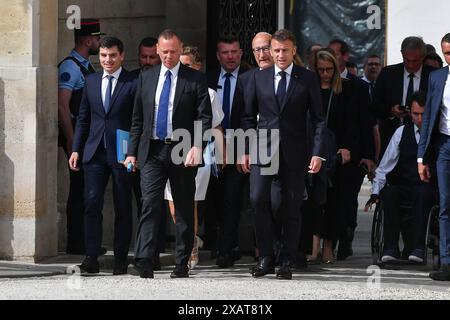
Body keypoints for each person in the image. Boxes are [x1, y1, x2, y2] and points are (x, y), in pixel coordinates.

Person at [125, 29, 212, 279]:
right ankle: (144, 260)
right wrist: (132, 152)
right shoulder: (147, 77)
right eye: (164, 52)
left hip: (182, 149)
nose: (168, 56)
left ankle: (182, 262)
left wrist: (198, 146)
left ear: (180, 49)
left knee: (183, 208)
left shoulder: (194, 79)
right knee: (149, 204)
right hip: (152, 150)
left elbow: (204, 117)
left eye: (173, 51)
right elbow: (137, 119)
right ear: (158, 51)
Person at [241, 29, 325, 280]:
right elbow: (247, 117)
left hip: (294, 152)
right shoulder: (259, 77)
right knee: (257, 200)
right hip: (262, 151)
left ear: (294, 51)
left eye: (284, 50)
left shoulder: (307, 79)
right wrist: (245, 149)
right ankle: (266, 256)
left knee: (290, 207)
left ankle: (287, 259)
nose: (279, 55)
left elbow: (319, 119)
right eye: (275, 50)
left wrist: (318, 153)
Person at [69, 37, 137, 275]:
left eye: (113, 55)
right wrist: (76, 148)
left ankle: (120, 259)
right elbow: (83, 119)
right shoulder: (91, 81)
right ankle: (91, 257)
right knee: (91, 204)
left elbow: (137, 121)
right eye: (104, 55)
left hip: (122, 153)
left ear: (122, 56)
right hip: (94, 152)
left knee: (123, 206)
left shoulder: (133, 82)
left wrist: (133, 152)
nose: (108, 60)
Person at [164, 46, 225, 269]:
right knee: (173, 205)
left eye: (188, 64)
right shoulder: (169, 87)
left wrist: (222, 153)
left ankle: (191, 248)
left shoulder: (209, 93)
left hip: (199, 152)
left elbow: (217, 125)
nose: (183, 68)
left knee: (190, 202)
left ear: (198, 66)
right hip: (169, 152)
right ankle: (190, 238)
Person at [366, 91, 435, 264]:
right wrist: (375, 192)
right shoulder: (401, 132)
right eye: (415, 114)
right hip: (404, 184)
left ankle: (418, 247)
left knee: (423, 193)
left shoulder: (438, 134)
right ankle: (390, 247)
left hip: (428, 186)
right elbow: (384, 167)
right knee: (389, 194)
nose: (419, 119)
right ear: (410, 113)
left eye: (423, 114)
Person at [58, 18, 104, 255]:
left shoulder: (86, 65)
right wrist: (71, 138)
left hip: (87, 137)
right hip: (78, 136)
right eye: (97, 39)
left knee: (88, 188)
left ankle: (87, 240)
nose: (99, 43)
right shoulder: (70, 67)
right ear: (88, 40)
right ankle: (75, 241)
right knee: (79, 189)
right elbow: (63, 106)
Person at [328, 39, 376, 260]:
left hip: (353, 155)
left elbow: (366, 123)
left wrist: (369, 157)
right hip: (327, 152)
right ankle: (331, 239)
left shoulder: (359, 86)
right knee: (329, 198)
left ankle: (346, 234)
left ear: (344, 57)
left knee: (347, 198)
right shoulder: (318, 82)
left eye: (335, 55)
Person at [309, 48, 358, 264]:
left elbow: (351, 121)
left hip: (337, 151)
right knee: (313, 199)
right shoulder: (310, 88)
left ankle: (329, 244)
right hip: (313, 149)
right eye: (321, 70)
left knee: (335, 200)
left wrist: (346, 146)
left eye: (329, 69)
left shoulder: (344, 90)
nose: (325, 74)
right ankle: (313, 244)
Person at [206, 36, 249, 268]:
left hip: (240, 143)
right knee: (213, 197)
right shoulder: (208, 78)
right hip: (212, 146)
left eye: (234, 52)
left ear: (241, 54)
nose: (230, 56)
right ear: (218, 55)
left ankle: (226, 250)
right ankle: (217, 242)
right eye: (225, 52)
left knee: (233, 198)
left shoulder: (249, 78)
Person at [418, 33, 450, 281]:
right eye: (446, 53)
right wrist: (422, 157)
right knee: (445, 204)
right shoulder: (437, 77)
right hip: (444, 145)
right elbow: (428, 116)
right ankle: (447, 263)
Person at [130, 36, 164, 270]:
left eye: (152, 57)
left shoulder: (164, 80)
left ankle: (152, 253)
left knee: (153, 203)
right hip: (134, 150)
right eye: (144, 56)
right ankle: (141, 253)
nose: (148, 61)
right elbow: (134, 119)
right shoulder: (133, 79)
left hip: (160, 150)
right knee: (144, 202)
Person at [372, 36, 436, 157]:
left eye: (415, 61)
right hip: (392, 137)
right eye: (407, 60)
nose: (411, 65)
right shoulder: (388, 74)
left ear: (423, 57)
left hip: (425, 138)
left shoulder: (433, 75)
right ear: (402, 54)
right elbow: (375, 106)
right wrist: (391, 111)